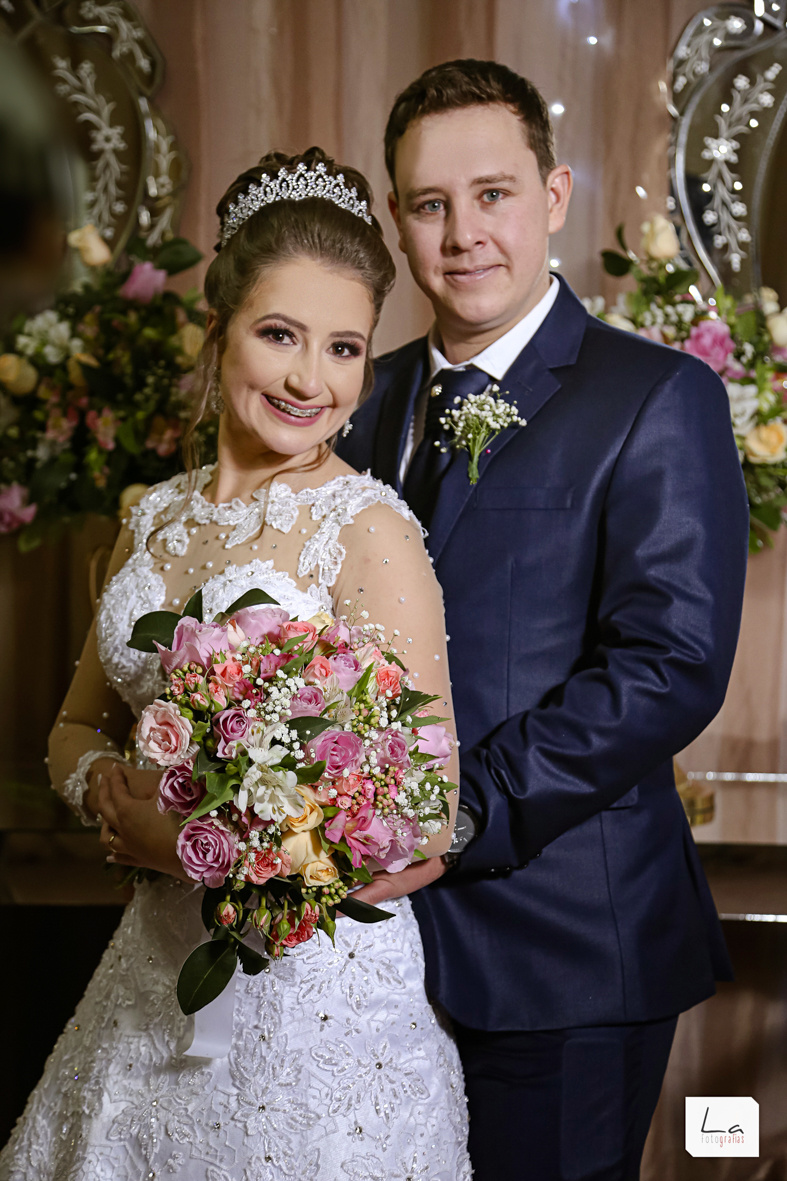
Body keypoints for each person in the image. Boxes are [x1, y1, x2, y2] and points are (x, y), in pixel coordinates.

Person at [0, 147, 471, 1181]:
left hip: (316, 1011)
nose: (311, 379)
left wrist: (193, 843)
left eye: (344, 347)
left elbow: (428, 814)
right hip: (151, 977)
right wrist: (107, 790)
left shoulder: (368, 530)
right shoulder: (149, 516)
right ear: (217, 330)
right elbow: (75, 726)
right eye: (279, 334)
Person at [339, 59, 750, 1180]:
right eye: (431, 204)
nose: (463, 233)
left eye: (493, 194)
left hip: (564, 951)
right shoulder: (353, 403)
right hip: (367, 956)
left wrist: (459, 809)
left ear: (554, 195)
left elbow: (668, 664)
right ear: (396, 220)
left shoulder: (656, 397)